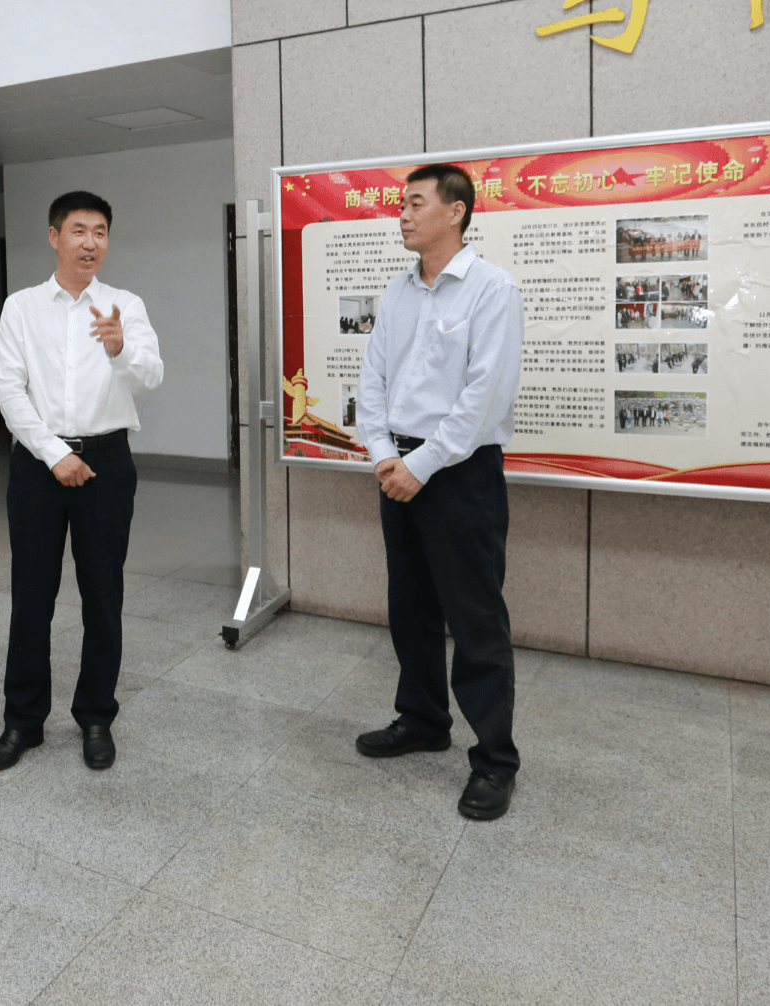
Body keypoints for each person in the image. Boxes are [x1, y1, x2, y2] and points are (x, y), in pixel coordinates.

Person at [352, 163, 523, 821]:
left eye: (416, 203)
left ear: (455, 211)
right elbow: (372, 379)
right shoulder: (396, 291)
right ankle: (423, 719)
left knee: (476, 619)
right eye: (401, 203)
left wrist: (420, 465)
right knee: (411, 607)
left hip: (459, 473)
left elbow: (485, 396)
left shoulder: (492, 289)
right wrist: (384, 453)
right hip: (398, 469)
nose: (402, 214)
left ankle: (495, 761)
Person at [0, 190, 164, 773]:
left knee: (103, 595)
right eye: (79, 230)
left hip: (107, 463)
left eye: (101, 232)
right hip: (38, 466)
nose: (91, 243)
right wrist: (55, 454)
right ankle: (22, 720)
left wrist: (120, 348)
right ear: (54, 236)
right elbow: (10, 392)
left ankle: (95, 717)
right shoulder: (21, 307)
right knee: (31, 596)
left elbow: (152, 376)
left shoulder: (124, 306)